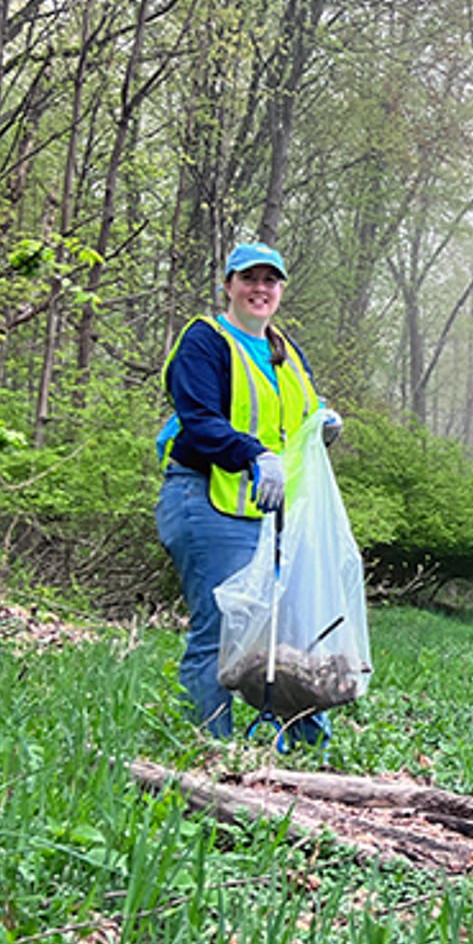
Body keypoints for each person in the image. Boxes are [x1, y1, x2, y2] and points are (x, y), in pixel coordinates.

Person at [156, 242, 341, 742]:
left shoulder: (284, 350)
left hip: (271, 511)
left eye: (270, 280)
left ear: (281, 289)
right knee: (221, 631)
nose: (260, 289)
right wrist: (253, 454)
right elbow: (198, 419)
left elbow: (297, 414)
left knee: (283, 633)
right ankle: (208, 749)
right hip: (205, 500)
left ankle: (306, 748)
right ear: (229, 285)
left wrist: (321, 422)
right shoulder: (206, 339)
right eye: (249, 278)